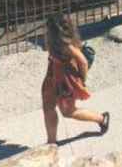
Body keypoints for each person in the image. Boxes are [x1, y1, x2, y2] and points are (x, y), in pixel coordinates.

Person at [42, 13, 109, 145]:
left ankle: (101, 119)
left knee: (68, 112)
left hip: (64, 81)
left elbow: (83, 62)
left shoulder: (66, 45)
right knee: (48, 107)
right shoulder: (54, 41)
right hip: (52, 76)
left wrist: (81, 81)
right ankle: (51, 143)